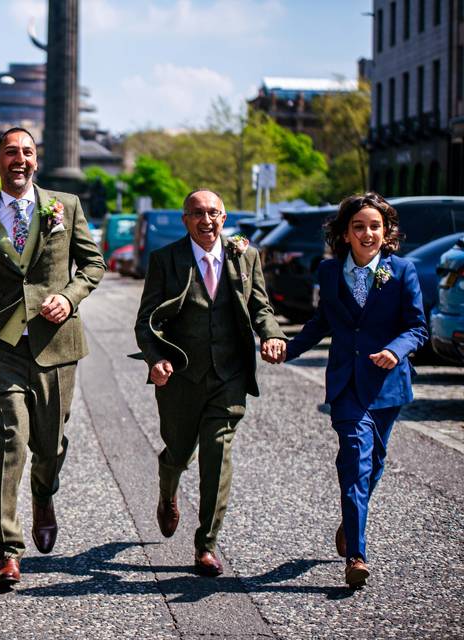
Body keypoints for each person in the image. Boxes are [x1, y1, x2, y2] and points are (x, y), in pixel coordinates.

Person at [0, 127, 105, 587]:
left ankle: (44, 492)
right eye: (10, 151)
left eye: (27, 152)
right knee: (11, 435)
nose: (19, 158)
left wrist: (70, 298)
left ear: (37, 161)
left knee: (50, 446)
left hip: (57, 344)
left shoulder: (65, 207)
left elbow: (93, 265)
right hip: (3, 347)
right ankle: (7, 550)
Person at [132, 188, 286, 577]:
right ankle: (168, 490)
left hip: (229, 376)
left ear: (224, 217)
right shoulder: (166, 260)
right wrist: (157, 359)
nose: (206, 220)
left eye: (213, 213)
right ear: (185, 220)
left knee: (217, 454)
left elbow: (261, 306)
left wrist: (272, 335)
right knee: (179, 453)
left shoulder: (245, 256)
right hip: (182, 376)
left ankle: (206, 544)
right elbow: (145, 321)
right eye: (197, 214)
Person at [283, 192, 427, 588]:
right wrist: (286, 349)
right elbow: (320, 322)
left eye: (375, 226)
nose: (367, 233)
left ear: (386, 232)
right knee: (354, 461)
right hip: (347, 384)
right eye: (359, 226)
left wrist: (395, 352)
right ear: (345, 233)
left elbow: (417, 328)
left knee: (375, 463)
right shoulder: (329, 273)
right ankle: (357, 555)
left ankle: (351, 521)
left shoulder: (402, 271)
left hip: (387, 384)